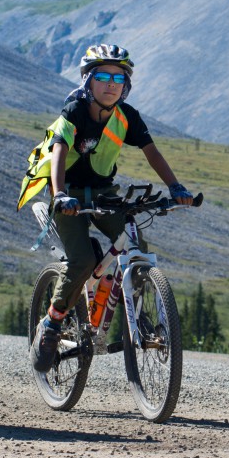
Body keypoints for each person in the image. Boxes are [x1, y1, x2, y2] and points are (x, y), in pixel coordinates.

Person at [21, 44, 196, 373]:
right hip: (69, 193)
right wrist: (59, 195)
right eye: (103, 76)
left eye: (119, 77)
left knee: (136, 249)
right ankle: (52, 324)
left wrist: (175, 187)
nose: (111, 83)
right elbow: (58, 152)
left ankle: (136, 318)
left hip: (104, 193)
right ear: (88, 79)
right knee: (83, 260)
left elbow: (152, 152)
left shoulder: (127, 116)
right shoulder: (73, 110)